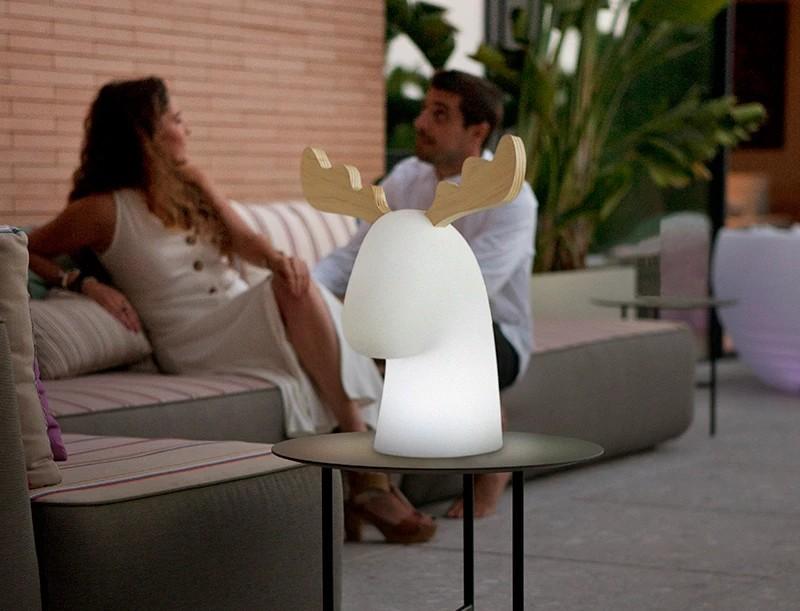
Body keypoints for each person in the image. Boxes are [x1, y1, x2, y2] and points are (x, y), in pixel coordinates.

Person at [26, 76, 435, 544]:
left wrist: (277, 259)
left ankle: (361, 479)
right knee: (299, 295)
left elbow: (243, 238)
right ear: (145, 132)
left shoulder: (191, 182)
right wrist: (82, 283)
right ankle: (364, 465)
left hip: (239, 308)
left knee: (295, 281)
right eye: (176, 119)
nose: (187, 128)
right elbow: (23, 248)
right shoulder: (101, 210)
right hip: (192, 338)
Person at [314, 70, 538, 518]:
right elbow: (355, 254)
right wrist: (309, 290)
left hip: (494, 333)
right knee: (341, 338)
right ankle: (365, 486)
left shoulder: (512, 199)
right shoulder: (407, 179)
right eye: (424, 110)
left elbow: (468, 291)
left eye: (439, 115)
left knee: (437, 338)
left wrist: (384, 314)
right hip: (405, 316)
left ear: (477, 132)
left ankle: (487, 469)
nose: (419, 123)